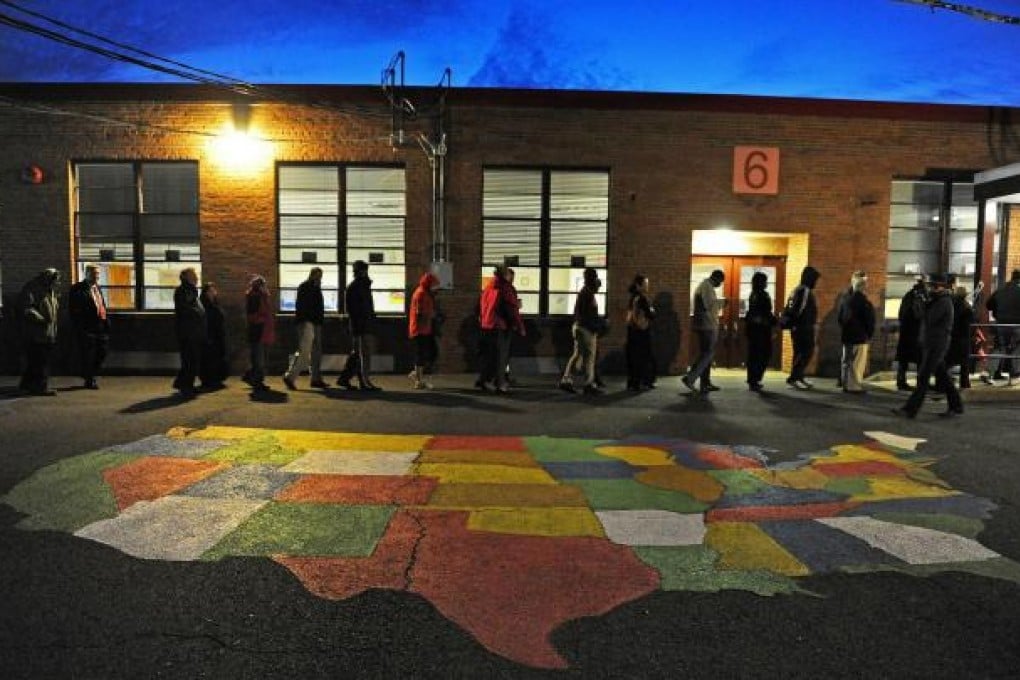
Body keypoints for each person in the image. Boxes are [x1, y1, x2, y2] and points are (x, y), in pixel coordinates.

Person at [893, 273, 962, 419]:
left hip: (936, 344)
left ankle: (910, 409)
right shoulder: (936, 300)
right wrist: (920, 302)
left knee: (923, 377)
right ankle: (956, 406)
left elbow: (929, 318)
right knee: (943, 376)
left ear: (940, 287)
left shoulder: (944, 302)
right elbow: (919, 317)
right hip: (930, 343)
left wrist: (923, 303)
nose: (929, 288)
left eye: (932, 286)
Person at [478, 265, 525, 394]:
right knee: (501, 357)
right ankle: (500, 383)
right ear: (505, 275)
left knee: (490, 355)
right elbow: (511, 310)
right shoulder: (506, 288)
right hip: (501, 326)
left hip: (487, 324)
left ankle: (484, 380)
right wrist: (520, 326)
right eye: (509, 274)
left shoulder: (489, 287)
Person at [559, 267, 604, 395]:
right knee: (589, 356)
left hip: (580, 327)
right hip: (586, 329)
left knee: (578, 354)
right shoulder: (587, 294)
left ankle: (566, 379)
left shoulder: (585, 292)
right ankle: (588, 384)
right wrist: (596, 326)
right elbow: (587, 315)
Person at [336, 260, 380, 391]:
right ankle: (362, 380)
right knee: (363, 354)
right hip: (361, 325)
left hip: (362, 324)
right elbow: (355, 310)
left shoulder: (359, 286)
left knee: (359, 353)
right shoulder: (358, 287)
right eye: (364, 270)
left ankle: (349, 379)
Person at [18, 268, 61, 396]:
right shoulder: (32, 288)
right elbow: (26, 308)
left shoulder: (49, 290)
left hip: (47, 332)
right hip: (36, 333)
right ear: (48, 278)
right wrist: (41, 319)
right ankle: (41, 388)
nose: (57, 283)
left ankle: (26, 385)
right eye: (56, 280)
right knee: (41, 363)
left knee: (35, 362)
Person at [682, 269, 724, 394]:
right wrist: (722, 302)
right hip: (706, 325)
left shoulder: (705, 286)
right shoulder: (706, 287)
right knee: (707, 354)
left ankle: (705, 382)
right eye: (720, 281)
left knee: (707, 354)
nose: (720, 284)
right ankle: (690, 378)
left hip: (705, 325)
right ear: (716, 278)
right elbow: (709, 306)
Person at [283, 267, 326, 390]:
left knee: (312, 350)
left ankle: (315, 378)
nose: (319, 278)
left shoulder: (309, 287)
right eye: (318, 276)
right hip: (309, 322)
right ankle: (292, 376)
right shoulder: (310, 288)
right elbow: (309, 306)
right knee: (307, 350)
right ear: (312, 275)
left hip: (311, 321)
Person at [68, 264, 110, 390]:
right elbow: (74, 310)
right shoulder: (77, 289)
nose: (97, 276)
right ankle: (90, 378)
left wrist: (106, 321)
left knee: (102, 352)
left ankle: (90, 375)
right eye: (94, 274)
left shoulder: (97, 288)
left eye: (98, 274)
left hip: (100, 325)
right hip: (87, 327)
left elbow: (101, 304)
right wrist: (81, 328)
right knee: (88, 354)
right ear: (86, 274)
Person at [784, 265, 821, 390]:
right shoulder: (804, 291)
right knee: (806, 352)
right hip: (802, 327)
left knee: (799, 352)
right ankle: (794, 377)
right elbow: (798, 310)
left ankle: (798, 377)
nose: (816, 283)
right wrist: (802, 323)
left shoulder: (796, 289)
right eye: (815, 279)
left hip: (797, 327)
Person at [838, 273, 876, 394]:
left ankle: (845, 383)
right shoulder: (864, 302)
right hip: (860, 337)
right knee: (857, 364)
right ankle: (853, 387)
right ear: (863, 286)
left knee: (846, 362)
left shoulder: (845, 300)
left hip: (847, 336)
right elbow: (869, 321)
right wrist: (868, 334)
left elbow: (840, 318)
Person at [173, 267, 205, 395]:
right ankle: (186, 385)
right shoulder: (183, 291)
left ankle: (184, 383)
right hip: (188, 331)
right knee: (189, 359)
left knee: (191, 359)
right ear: (186, 277)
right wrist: (198, 312)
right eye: (193, 275)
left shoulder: (190, 290)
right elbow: (185, 309)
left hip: (191, 330)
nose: (196, 277)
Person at [985, 268, 1020, 387]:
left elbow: (988, 304)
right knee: (1017, 348)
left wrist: (997, 312)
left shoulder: (1001, 289)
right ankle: (1015, 374)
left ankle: (988, 371)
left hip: (1001, 323)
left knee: (1000, 347)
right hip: (1017, 324)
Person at [408, 271, 441, 389]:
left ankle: (417, 375)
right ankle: (418, 379)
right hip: (420, 329)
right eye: (434, 286)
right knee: (421, 354)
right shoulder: (421, 294)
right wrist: (432, 316)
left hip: (425, 328)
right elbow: (420, 313)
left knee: (430, 353)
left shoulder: (425, 293)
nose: (436, 289)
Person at [243, 274, 275, 392]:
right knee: (259, 359)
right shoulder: (255, 297)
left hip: (262, 331)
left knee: (259, 358)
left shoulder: (261, 296)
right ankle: (257, 381)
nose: (265, 287)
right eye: (263, 284)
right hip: (259, 331)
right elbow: (253, 316)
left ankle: (252, 378)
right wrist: (262, 320)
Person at [744, 270, 775, 392]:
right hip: (761, 329)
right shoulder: (762, 295)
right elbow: (765, 312)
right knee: (763, 354)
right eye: (765, 281)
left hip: (754, 328)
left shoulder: (753, 294)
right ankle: (754, 379)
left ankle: (753, 379)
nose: (766, 283)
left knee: (755, 354)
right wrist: (775, 321)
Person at [625, 273, 657, 390]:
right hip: (642, 331)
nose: (647, 286)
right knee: (645, 357)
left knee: (634, 357)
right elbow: (651, 314)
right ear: (639, 285)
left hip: (632, 330)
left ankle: (633, 382)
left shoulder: (632, 297)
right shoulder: (642, 298)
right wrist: (653, 310)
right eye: (645, 284)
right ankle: (644, 381)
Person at [895, 277, 926, 390]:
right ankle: (920, 383)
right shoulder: (920, 297)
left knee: (904, 359)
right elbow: (920, 315)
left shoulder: (908, 295)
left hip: (905, 332)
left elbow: (900, 314)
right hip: (915, 333)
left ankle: (901, 381)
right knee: (920, 359)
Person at [199, 281, 229, 389]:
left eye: (214, 290)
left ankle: (215, 378)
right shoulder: (204, 305)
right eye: (212, 291)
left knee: (217, 356)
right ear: (206, 293)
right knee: (209, 358)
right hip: (210, 334)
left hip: (217, 334)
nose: (214, 292)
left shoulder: (214, 304)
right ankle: (209, 379)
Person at [945, 285, 975, 390]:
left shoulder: (951, 304)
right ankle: (964, 383)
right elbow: (970, 323)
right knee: (964, 362)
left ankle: (945, 381)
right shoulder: (967, 306)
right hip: (963, 337)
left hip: (952, 336)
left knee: (949, 360)